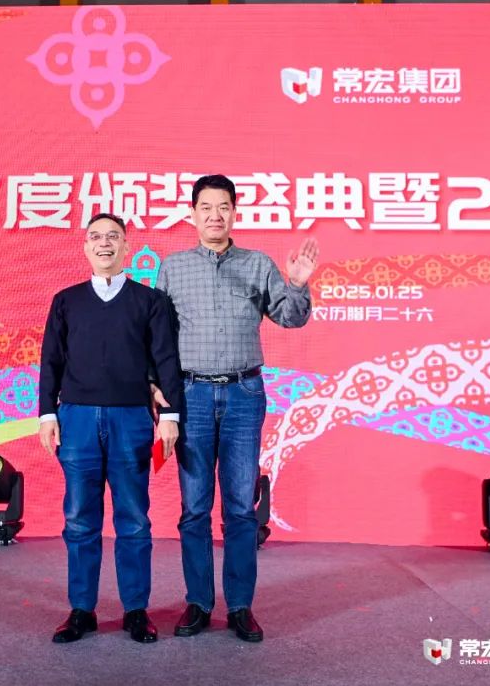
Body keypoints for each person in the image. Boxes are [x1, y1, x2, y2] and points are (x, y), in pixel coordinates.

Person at [155, 174, 318, 643]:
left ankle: (241, 606)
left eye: (223, 207)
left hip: (244, 396)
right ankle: (198, 602)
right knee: (194, 507)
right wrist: (158, 394)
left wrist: (297, 284)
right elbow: (159, 339)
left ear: (234, 212)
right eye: (206, 208)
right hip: (191, 396)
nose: (215, 216)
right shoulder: (173, 269)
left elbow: (290, 317)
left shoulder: (258, 263)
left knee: (242, 508)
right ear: (192, 214)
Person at [39, 213, 183, 644]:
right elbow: (50, 361)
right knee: (79, 519)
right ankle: (81, 610)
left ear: (126, 247)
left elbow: (166, 359)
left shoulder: (150, 301)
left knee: (134, 519)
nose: (105, 244)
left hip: (131, 418)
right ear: (86, 247)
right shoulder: (66, 301)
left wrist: (171, 416)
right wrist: (47, 414)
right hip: (77, 418)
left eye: (113, 237)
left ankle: (136, 610)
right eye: (96, 237)